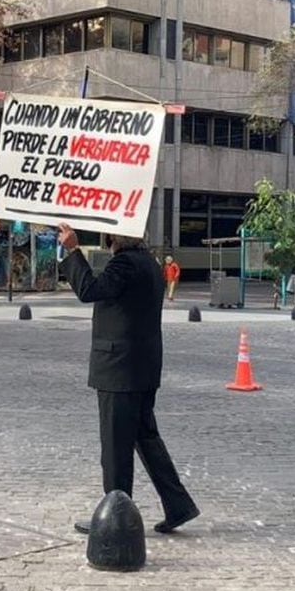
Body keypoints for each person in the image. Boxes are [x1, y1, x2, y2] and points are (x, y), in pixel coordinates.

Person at [57, 223, 199, 535]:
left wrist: (72, 250)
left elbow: (89, 290)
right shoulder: (149, 264)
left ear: (111, 237)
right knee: (146, 439)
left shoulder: (124, 264)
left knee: (115, 446)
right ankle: (179, 505)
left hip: (119, 369)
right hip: (143, 367)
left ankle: (115, 519)